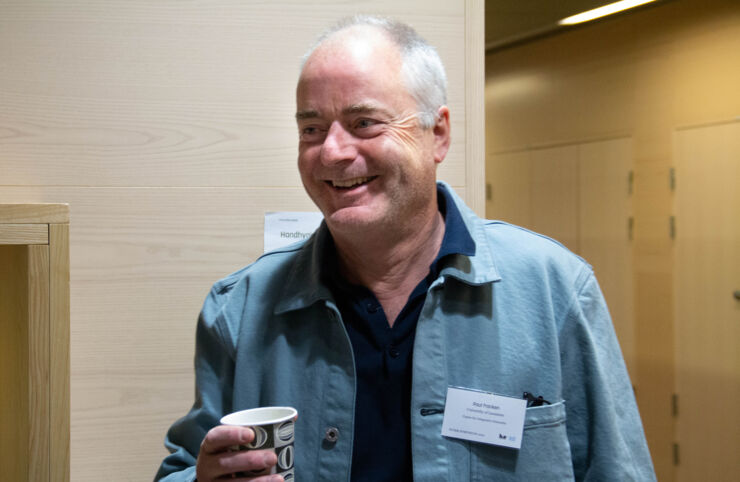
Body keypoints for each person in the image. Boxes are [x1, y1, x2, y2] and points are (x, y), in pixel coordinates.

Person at [155, 15, 656, 482]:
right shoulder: (238, 310)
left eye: (364, 122)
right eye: (311, 129)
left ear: (436, 133)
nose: (331, 151)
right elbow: (183, 464)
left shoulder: (554, 291)